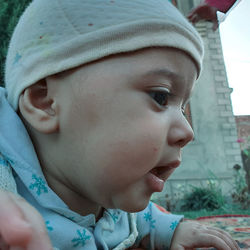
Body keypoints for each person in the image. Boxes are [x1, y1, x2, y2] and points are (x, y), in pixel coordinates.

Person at [0, 0, 240, 249]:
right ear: (46, 102)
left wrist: (173, 231)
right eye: (161, 96)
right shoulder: (6, 191)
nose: (187, 132)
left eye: (182, 108)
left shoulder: (111, 195)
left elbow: (145, 217)